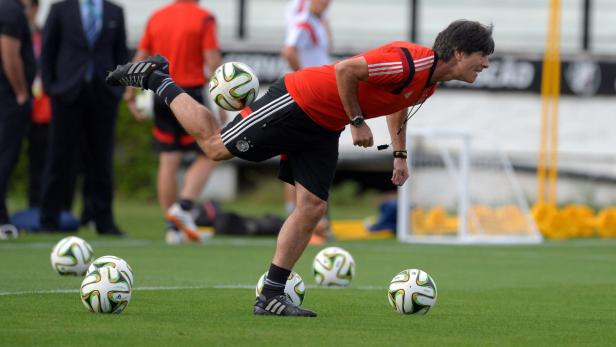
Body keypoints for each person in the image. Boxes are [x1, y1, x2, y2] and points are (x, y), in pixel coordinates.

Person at [107, 19, 494, 316]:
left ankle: (271, 295)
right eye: (483, 56)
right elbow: (347, 71)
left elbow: (397, 103)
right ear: (459, 52)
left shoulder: (427, 81)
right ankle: (158, 78)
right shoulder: (411, 60)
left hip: (323, 125)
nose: (486, 64)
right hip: (299, 100)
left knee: (312, 207)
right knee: (216, 148)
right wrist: (358, 121)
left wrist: (399, 154)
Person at [124, 0, 225, 244]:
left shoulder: (157, 17)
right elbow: (212, 61)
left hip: (160, 93)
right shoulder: (203, 17)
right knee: (215, 150)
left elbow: (140, 58)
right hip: (188, 95)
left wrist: (129, 94)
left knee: (168, 159)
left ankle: (172, 228)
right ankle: (184, 204)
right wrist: (224, 101)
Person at [40, 0, 129, 236]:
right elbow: (48, 49)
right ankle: (50, 218)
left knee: (101, 160)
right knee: (59, 158)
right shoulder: (60, 9)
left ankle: (102, 220)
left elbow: (120, 52)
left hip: (103, 95)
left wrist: (118, 90)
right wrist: (51, 88)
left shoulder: (115, 11)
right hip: (67, 94)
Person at [281, 0, 333, 245]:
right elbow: (289, 51)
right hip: (308, 98)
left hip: (318, 97)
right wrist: (305, 82)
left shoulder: (317, 22)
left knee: (308, 156)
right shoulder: (303, 22)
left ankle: (311, 222)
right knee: (298, 158)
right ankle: (298, 220)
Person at [0, 0, 35, 237]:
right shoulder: (12, 10)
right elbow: (9, 52)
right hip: (7, 99)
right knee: (4, 159)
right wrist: (21, 92)